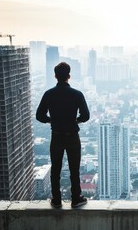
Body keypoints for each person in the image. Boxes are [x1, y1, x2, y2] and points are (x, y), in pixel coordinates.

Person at [36, 62, 90, 208]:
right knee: (74, 169)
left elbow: (39, 116)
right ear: (69, 76)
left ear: (55, 76)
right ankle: (76, 199)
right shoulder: (77, 94)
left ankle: (56, 200)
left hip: (57, 136)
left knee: (56, 169)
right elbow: (86, 116)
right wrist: (75, 121)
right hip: (72, 135)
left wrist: (52, 120)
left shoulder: (49, 94)